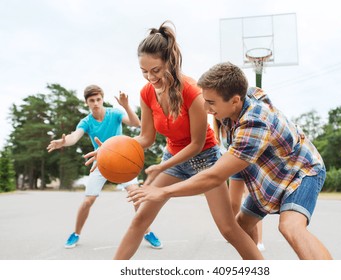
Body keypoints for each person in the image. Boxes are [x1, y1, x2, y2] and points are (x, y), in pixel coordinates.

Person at [85, 21, 263, 260]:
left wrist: (162, 166)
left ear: (170, 61)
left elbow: (196, 144)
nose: (150, 77)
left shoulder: (193, 91)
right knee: (139, 220)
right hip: (172, 159)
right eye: (144, 71)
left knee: (228, 229)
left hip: (205, 160)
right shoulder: (146, 92)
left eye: (156, 70)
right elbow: (146, 137)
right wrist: (109, 150)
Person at [129, 62, 333, 260]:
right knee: (241, 226)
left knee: (290, 226)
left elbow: (214, 176)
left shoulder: (253, 125)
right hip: (267, 176)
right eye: (205, 100)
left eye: (211, 103)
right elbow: (256, 94)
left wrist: (163, 191)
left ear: (235, 100)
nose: (206, 108)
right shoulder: (240, 98)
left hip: (300, 171)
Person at [47, 85, 162, 249]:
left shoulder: (114, 113)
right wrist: (63, 142)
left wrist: (126, 106)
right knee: (88, 201)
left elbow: (136, 123)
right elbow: (74, 137)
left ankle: (147, 232)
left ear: (102, 99)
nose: (95, 103)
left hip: (122, 159)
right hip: (100, 162)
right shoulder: (86, 121)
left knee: (136, 195)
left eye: (98, 99)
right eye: (91, 100)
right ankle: (76, 233)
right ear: (87, 102)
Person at [213, 118, 265, 252]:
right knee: (233, 204)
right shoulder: (218, 125)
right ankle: (240, 232)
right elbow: (220, 148)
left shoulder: (238, 120)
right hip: (234, 166)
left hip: (250, 164)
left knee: (252, 204)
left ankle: (259, 241)